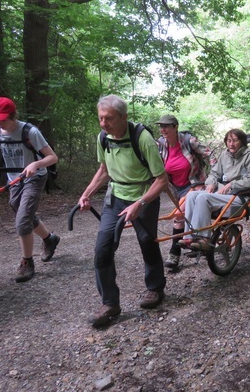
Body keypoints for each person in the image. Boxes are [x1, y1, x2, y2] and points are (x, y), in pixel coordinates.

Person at [78, 95, 168, 327]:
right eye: (100, 118)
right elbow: (104, 170)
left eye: (109, 118)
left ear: (124, 117)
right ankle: (109, 304)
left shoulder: (143, 138)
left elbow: (161, 180)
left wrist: (140, 204)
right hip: (116, 196)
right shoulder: (103, 138)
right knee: (102, 249)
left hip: (143, 195)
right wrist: (87, 193)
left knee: (147, 240)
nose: (103, 123)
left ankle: (155, 288)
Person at [0, 97, 60, 283]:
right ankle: (50, 239)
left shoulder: (30, 132)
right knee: (23, 213)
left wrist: (36, 163)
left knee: (22, 219)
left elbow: (52, 157)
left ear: (11, 115)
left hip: (34, 178)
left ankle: (27, 262)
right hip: (14, 180)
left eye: (1, 117)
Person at [181, 129, 250, 251]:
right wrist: (211, 183)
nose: (231, 144)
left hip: (240, 196)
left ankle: (204, 239)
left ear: (242, 142)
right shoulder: (225, 154)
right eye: (229, 141)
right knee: (192, 195)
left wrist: (232, 184)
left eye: (235, 140)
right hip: (222, 193)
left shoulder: (249, 155)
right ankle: (190, 237)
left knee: (203, 198)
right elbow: (214, 173)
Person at [156, 114, 210, 272]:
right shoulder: (160, 144)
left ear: (175, 127)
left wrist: (217, 174)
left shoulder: (188, 141)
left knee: (178, 215)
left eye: (166, 126)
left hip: (195, 183)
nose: (163, 129)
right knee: (184, 215)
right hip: (176, 187)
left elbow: (209, 153)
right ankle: (198, 240)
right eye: (161, 126)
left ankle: (174, 253)